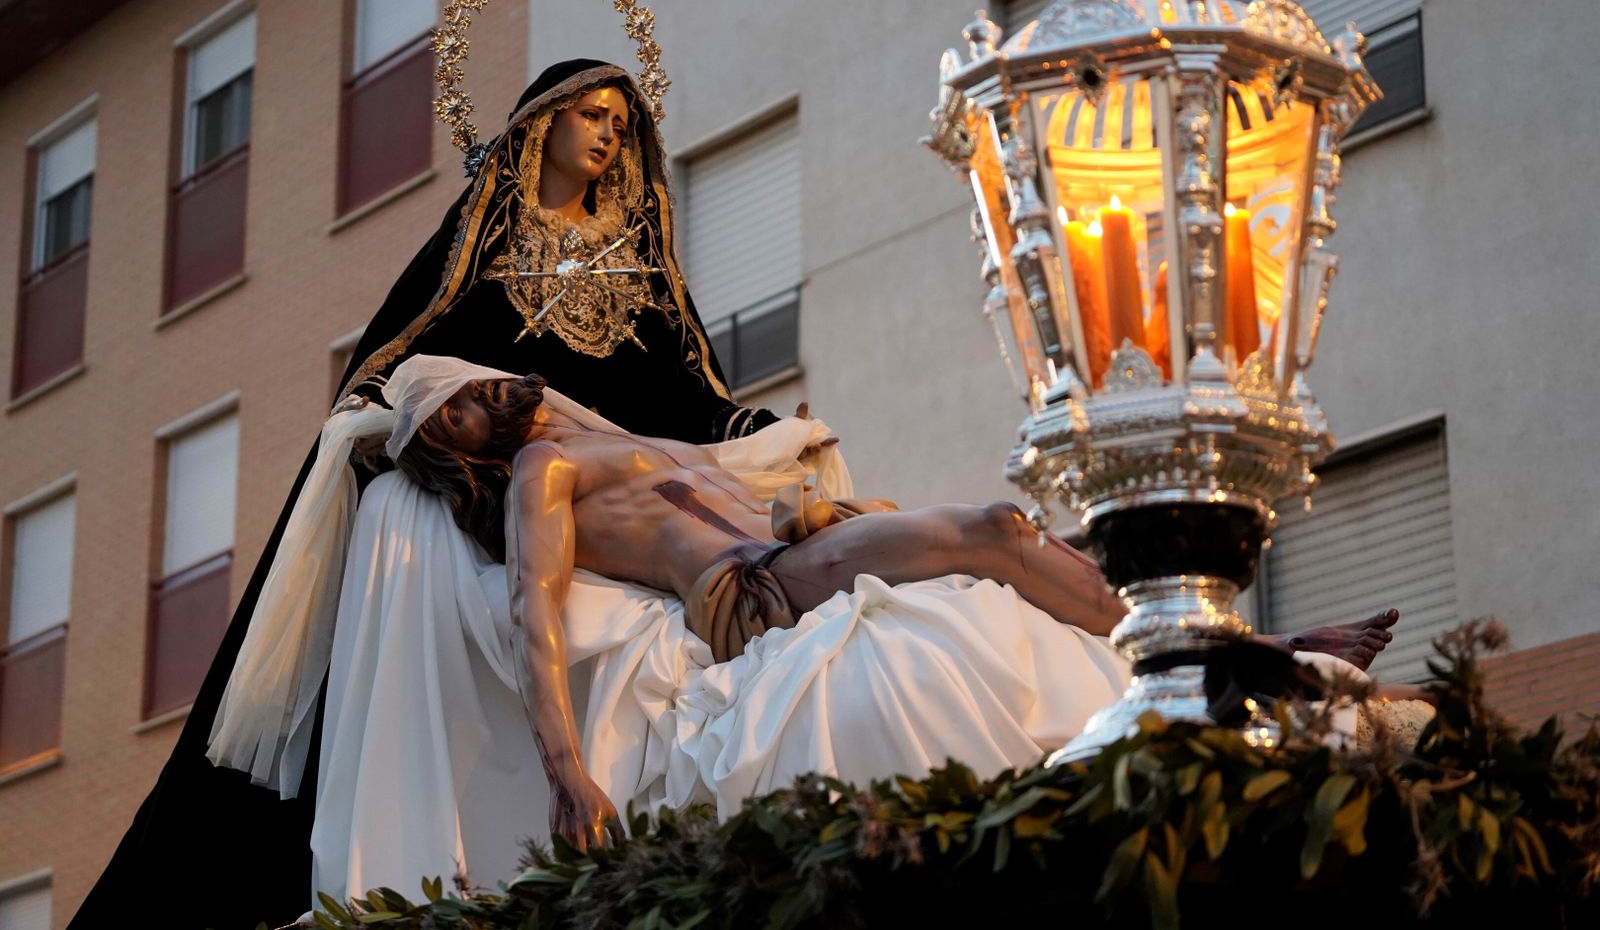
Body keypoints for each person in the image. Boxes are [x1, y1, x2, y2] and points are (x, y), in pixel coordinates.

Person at [71, 60, 777, 930]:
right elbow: (401, 360)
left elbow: (689, 394)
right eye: (591, 115)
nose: (606, 134)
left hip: (599, 507)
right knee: (410, 538)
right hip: (487, 505)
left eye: (620, 126)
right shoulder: (480, 247)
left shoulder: (638, 267)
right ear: (543, 124)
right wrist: (404, 416)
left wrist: (751, 428)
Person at [389, 357, 1400, 851]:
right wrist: (567, 773)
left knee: (1001, 534)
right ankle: (1249, 646)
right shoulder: (543, 477)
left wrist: (805, 474)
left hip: (790, 548)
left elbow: (735, 479)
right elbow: (533, 612)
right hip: (756, 593)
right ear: (458, 453)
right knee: (994, 531)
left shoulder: (602, 442)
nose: (480, 403)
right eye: (455, 416)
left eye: (469, 390)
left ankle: (1236, 643)